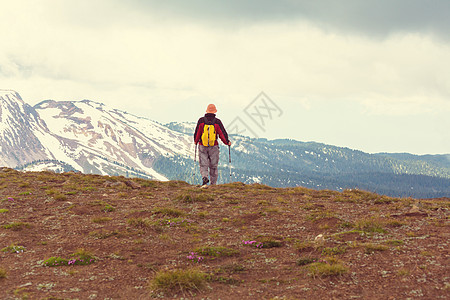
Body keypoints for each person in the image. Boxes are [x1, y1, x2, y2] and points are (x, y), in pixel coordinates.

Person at [194, 104, 231, 186]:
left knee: (203, 164)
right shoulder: (217, 122)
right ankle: (213, 184)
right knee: (213, 166)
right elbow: (222, 133)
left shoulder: (201, 121)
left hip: (202, 146)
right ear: (215, 112)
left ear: (206, 111)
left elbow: (197, 132)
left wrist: (196, 141)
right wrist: (227, 142)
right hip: (214, 146)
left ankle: (204, 177)